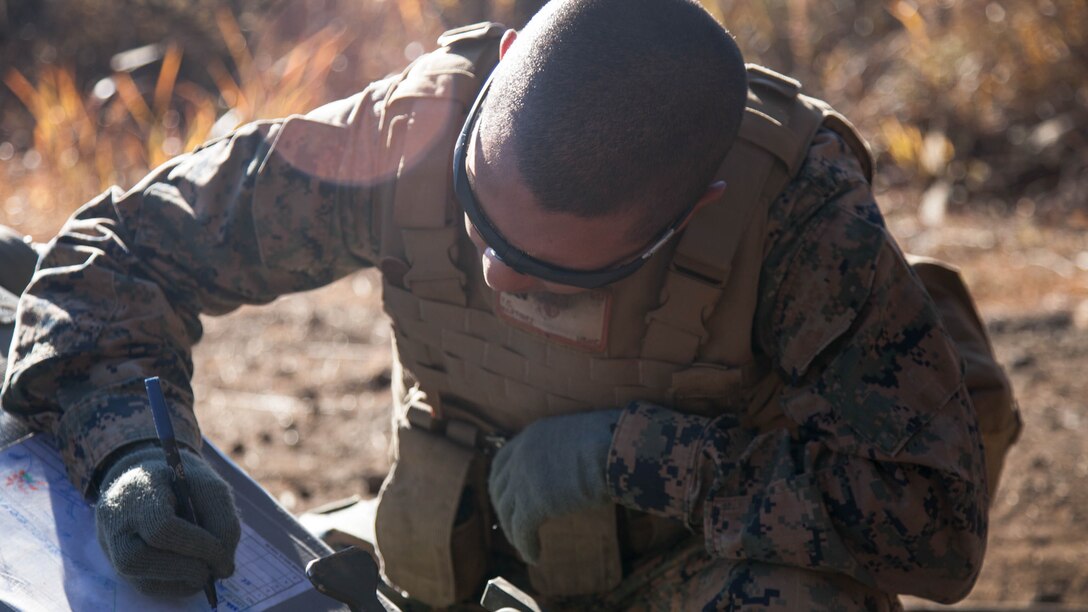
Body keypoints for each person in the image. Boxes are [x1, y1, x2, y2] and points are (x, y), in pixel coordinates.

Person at [0, 0, 1019, 609]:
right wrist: (128, 447)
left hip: (683, 577)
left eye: (554, 279)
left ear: (697, 211)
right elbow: (122, 246)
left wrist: (643, 454)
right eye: (478, 224)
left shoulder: (797, 220)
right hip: (435, 564)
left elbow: (931, 523)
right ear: (498, 73)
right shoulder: (410, 134)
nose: (495, 278)